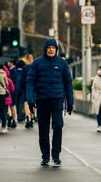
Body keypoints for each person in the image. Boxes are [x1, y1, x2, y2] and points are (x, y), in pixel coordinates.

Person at [26, 38, 74, 166]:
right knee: (43, 129)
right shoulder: (37, 63)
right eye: (49, 48)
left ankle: (56, 155)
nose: (51, 49)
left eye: (53, 48)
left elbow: (68, 83)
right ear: (45, 49)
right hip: (42, 100)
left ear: (56, 49)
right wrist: (30, 101)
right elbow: (30, 83)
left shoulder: (62, 64)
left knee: (58, 126)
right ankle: (45, 156)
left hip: (57, 100)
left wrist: (70, 102)